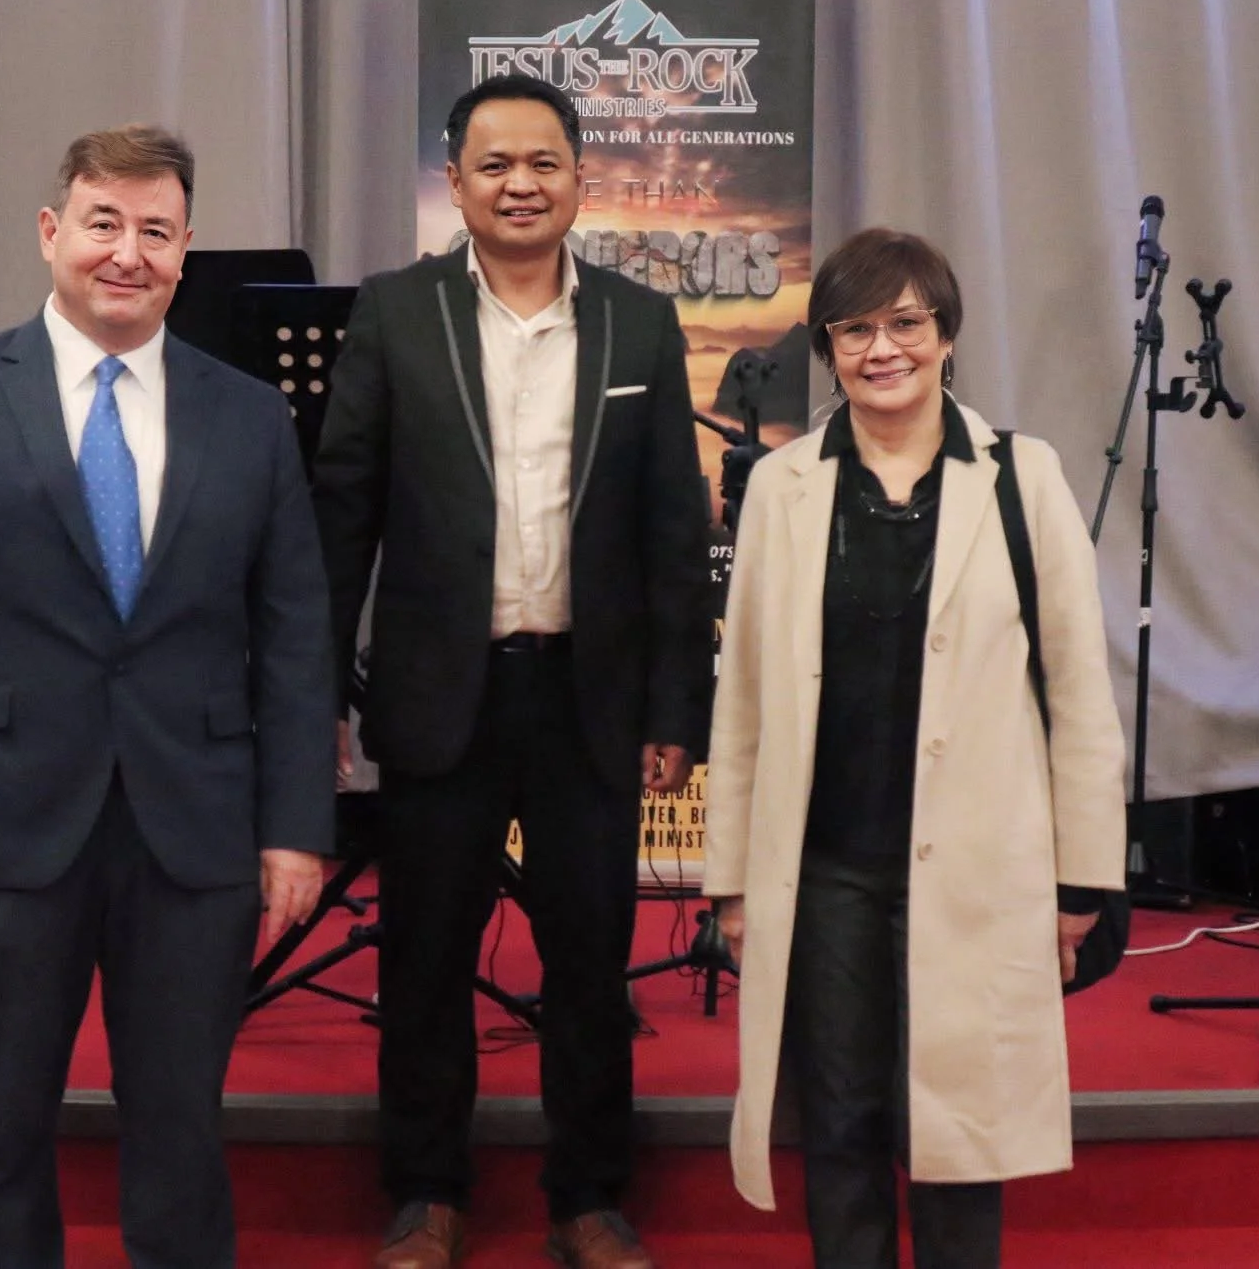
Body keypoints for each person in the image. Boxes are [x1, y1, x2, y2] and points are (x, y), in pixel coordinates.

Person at [0, 124, 333, 1269]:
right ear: (52, 233)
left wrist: (298, 825)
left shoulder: (247, 416)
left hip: (191, 831)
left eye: (155, 230)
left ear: (186, 250)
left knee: (181, 1131)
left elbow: (295, 636)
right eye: (103, 223)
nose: (127, 253)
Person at [313, 73, 712, 1269]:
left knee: (589, 965)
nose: (520, 184)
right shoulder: (396, 313)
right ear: (457, 184)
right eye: (494, 165)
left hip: (588, 700)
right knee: (423, 959)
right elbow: (343, 516)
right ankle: (425, 1195)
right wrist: (319, 692)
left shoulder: (639, 324)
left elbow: (669, 535)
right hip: (440, 696)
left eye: (543, 162)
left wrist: (673, 706)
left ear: (581, 179)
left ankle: (587, 1199)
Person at [699, 227, 1127, 1268]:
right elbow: (744, 703)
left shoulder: (1021, 480)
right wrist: (730, 884)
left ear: (943, 336)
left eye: (903, 323)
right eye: (853, 329)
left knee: (954, 1135)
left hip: (978, 871)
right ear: (826, 345)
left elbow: (1078, 697)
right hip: (826, 868)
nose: (879, 348)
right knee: (838, 1126)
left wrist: (1083, 880)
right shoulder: (781, 487)